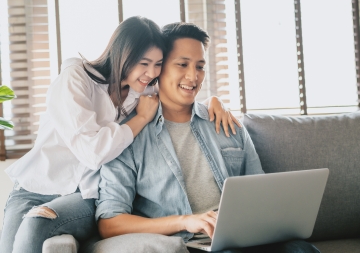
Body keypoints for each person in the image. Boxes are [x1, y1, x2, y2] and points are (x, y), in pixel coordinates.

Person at [0, 17, 237, 253]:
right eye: (144, 63)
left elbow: (179, 92)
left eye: (157, 64)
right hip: (36, 186)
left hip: (83, 194)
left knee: (35, 227)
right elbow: (93, 152)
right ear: (123, 55)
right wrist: (140, 119)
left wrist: (214, 102)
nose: (151, 72)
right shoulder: (76, 79)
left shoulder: (141, 87)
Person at [95, 22, 320, 253]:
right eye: (182, 64)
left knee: (302, 250)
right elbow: (109, 223)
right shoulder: (129, 136)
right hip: (190, 243)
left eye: (200, 66)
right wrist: (185, 221)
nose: (193, 76)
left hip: (246, 239)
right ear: (159, 69)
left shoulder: (227, 124)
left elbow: (261, 193)